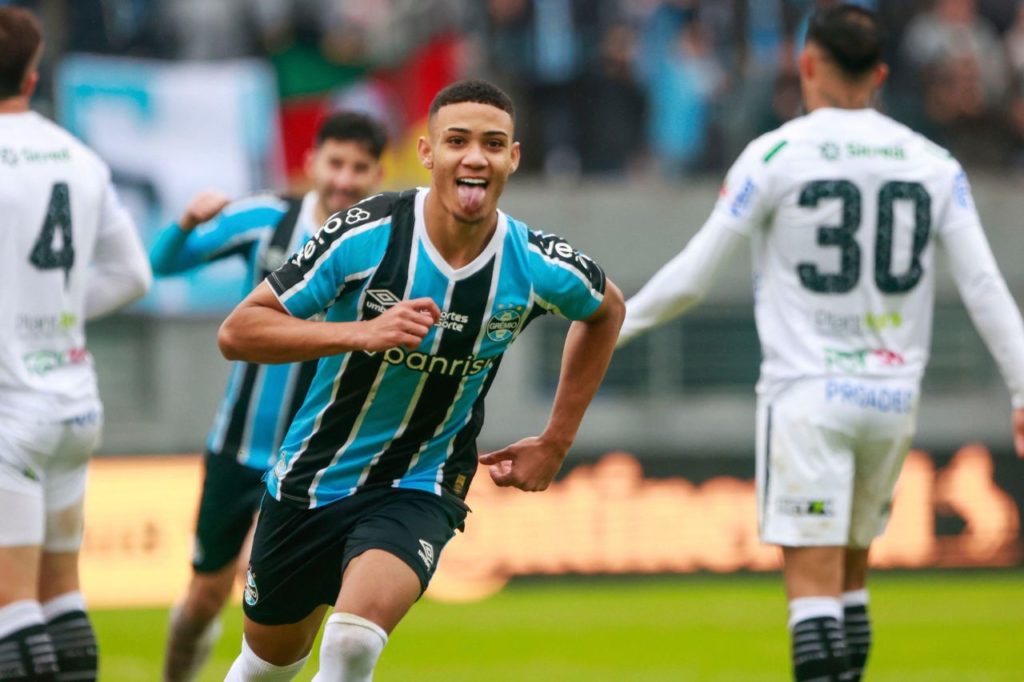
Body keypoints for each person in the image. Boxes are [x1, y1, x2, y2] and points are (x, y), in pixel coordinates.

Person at [617, 6, 1024, 682]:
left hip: (808, 396)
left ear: (806, 64)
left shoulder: (776, 153)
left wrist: (608, 325)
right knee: (851, 578)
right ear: (883, 74)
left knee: (812, 595)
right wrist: (1021, 386)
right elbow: (985, 285)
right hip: (892, 397)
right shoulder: (932, 162)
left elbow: (692, 275)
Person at [216, 79, 624, 681]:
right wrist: (361, 332)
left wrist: (556, 440)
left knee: (352, 643)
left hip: (421, 480)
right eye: (457, 141)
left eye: (493, 143)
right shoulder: (366, 233)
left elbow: (606, 308)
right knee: (268, 666)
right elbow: (239, 330)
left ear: (513, 158)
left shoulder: (533, 260)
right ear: (428, 152)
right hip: (312, 475)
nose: (475, 157)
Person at [149, 111, 387, 682]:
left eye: (360, 168)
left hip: (312, 459)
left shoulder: (384, 241)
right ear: (311, 163)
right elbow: (162, 264)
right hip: (237, 447)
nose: (345, 180)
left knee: (275, 597)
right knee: (203, 599)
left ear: (378, 173)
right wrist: (185, 223)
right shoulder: (266, 221)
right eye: (336, 163)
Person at [0, 7, 152, 682]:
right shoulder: (79, 156)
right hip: (71, 405)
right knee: (62, 595)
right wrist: (55, 313)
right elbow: (133, 276)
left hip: (8, 415)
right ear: (33, 77)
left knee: (10, 611)